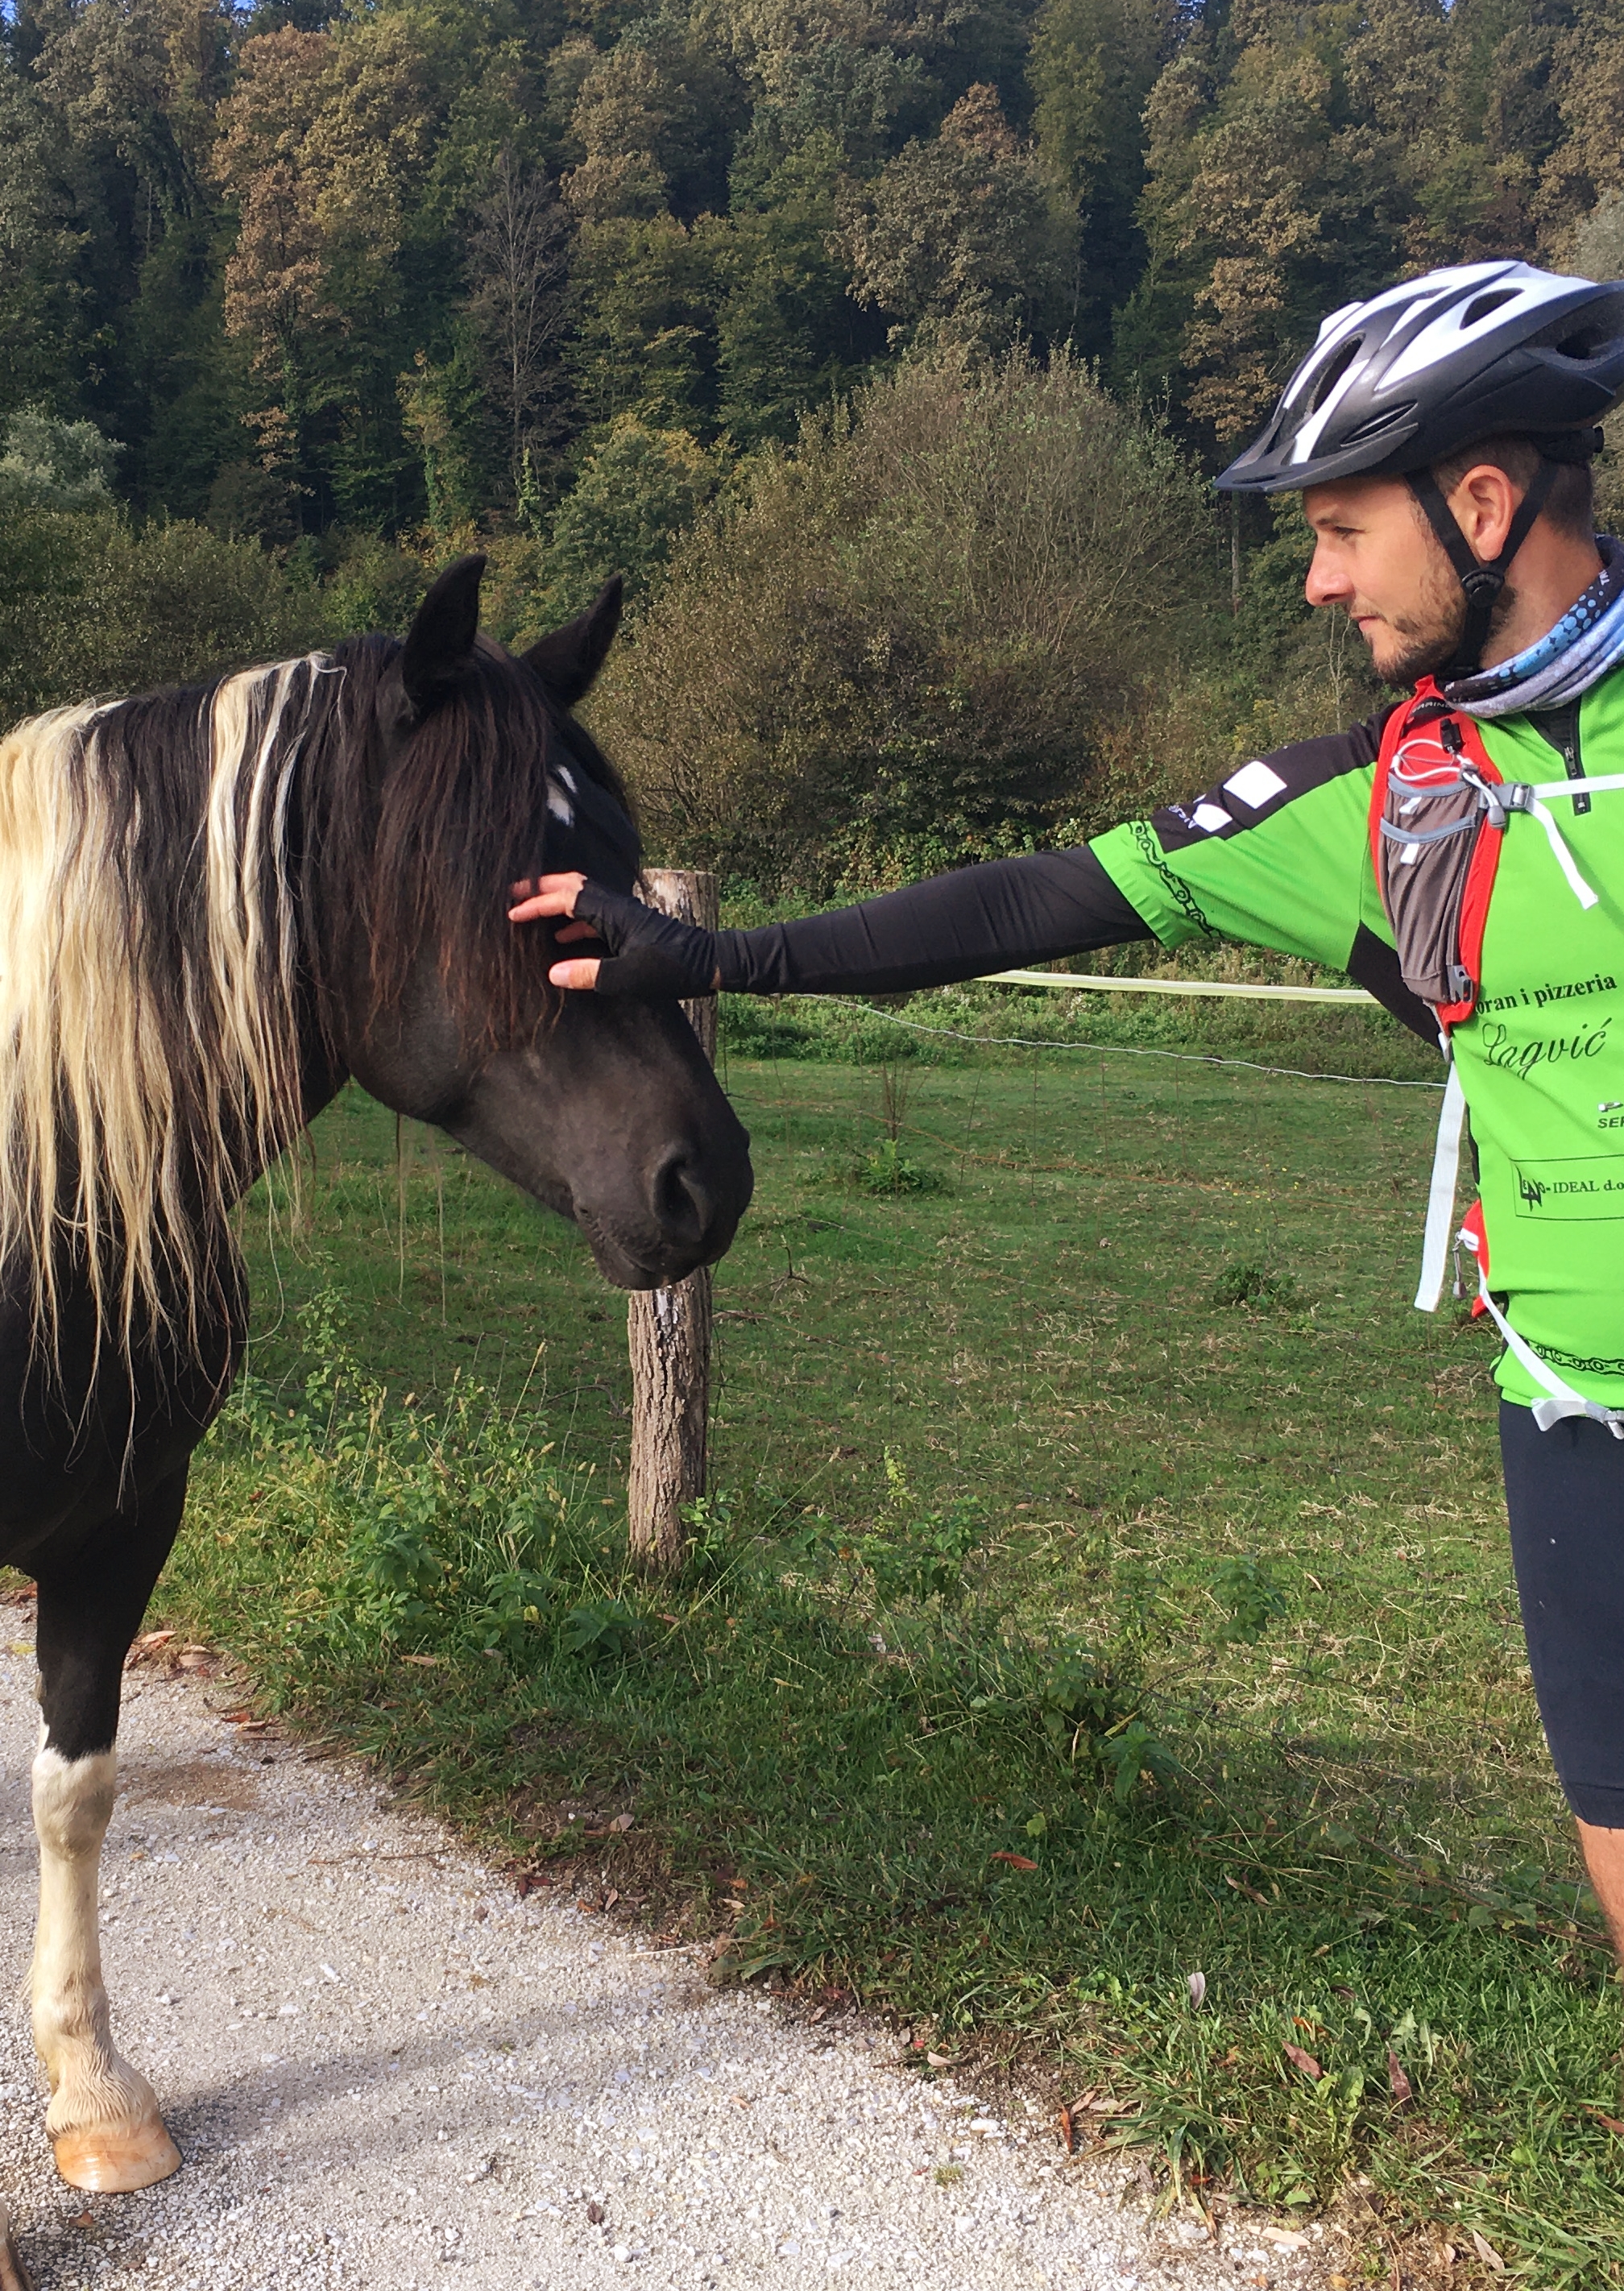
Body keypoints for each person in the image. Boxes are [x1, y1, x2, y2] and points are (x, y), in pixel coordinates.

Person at [512, 258, 1624, 1957]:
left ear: (1480, 502)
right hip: (1572, 1418)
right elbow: (1039, 898)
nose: (1319, 586)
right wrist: (705, 953)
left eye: (1342, 534)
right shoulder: (1387, 799)